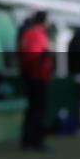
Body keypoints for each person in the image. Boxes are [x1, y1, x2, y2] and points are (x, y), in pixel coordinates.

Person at [18, 10, 53, 151]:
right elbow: (32, 57)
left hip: (34, 77)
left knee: (34, 110)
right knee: (37, 111)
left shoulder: (31, 33)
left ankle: (29, 141)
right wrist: (45, 56)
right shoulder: (36, 34)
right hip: (37, 77)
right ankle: (35, 141)